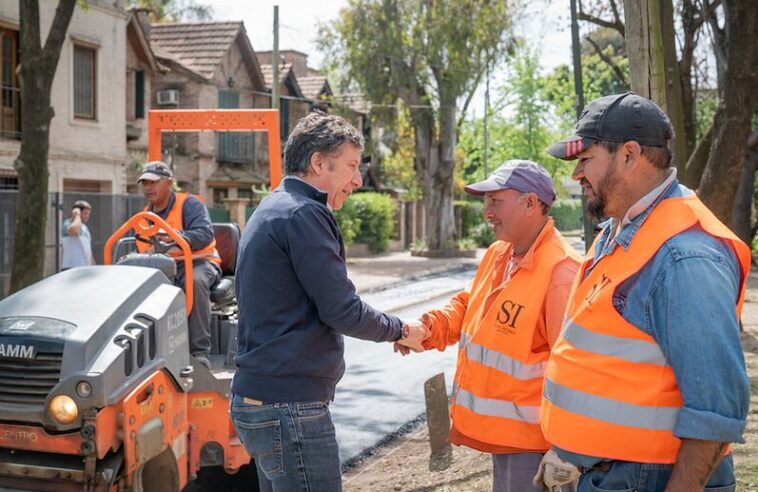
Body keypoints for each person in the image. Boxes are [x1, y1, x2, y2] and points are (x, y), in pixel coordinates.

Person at [536, 92, 751, 492]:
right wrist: (570, 450)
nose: (576, 176)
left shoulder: (684, 256)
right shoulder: (621, 230)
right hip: (613, 474)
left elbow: (717, 411)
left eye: (585, 160)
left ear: (630, 156)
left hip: (647, 478)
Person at [231, 112, 429, 492]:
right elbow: (342, 310)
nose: (357, 180)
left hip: (260, 401)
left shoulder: (273, 208)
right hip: (291, 408)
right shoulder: (305, 213)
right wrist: (402, 330)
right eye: (352, 166)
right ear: (318, 162)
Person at [396, 160, 581, 492]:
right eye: (485, 202)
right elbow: (469, 306)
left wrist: (564, 450)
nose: (486, 212)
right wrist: (428, 329)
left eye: (495, 201)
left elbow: (574, 372)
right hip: (507, 442)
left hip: (536, 450)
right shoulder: (499, 254)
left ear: (531, 204)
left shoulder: (561, 273)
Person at [136, 161, 221, 368]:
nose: (148, 187)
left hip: (200, 262)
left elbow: (204, 234)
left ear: (169, 183)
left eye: (153, 182)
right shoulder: (144, 216)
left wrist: (175, 237)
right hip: (163, 267)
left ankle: (199, 352)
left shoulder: (189, 204)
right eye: (144, 183)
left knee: (195, 282)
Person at [61, 200, 95, 270]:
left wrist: (93, 266)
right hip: (70, 268)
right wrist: (77, 215)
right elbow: (74, 231)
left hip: (85, 268)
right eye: (85, 213)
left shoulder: (85, 228)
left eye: (88, 214)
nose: (87, 216)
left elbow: (89, 251)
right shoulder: (67, 223)